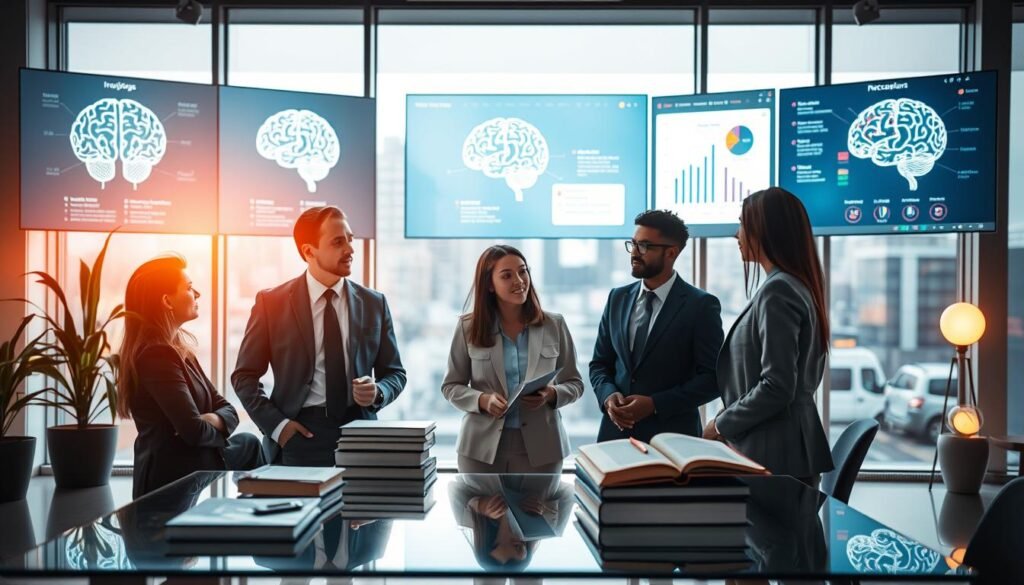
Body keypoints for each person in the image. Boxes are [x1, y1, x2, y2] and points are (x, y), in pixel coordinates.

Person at [233, 206, 406, 467]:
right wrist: (279, 427)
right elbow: (244, 376)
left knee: (359, 509)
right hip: (299, 435)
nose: (350, 249)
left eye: (350, 238)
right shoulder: (272, 303)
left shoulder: (374, 303)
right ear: (309, 251)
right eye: (338, 242)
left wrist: (378, 392)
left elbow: (395, 373)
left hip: (360, 433)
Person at [704, 186, 834, 486]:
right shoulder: (794, 285)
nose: (737, 235)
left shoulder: (778, 290)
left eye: (742, 224)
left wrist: (720, 425)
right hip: (782, 449)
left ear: (764, 230)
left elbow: (777, 386)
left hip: (773, 452)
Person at [117, 254, 264, 499]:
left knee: (249, 443)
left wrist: (213, 419)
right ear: (167, 301)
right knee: (249, 445)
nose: (197, 294)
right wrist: (213, 421)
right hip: (170, 477)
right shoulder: (157, 356)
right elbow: (193, 430)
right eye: (188, 288)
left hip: (192, 463)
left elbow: (225, 407)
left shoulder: (179, 350)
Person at [442, 245, 584, 473]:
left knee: (540, 509)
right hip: (480, 451)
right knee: (482, 509)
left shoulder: (554, 325)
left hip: (543, 450)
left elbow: (575, 384)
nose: (519, 281)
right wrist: (482, 400)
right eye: (507, 276)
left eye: (523, 271)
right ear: (489, 284)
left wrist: (551, 394)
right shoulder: (468, 327)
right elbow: (451, 387)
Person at [590, 210, 723, 443]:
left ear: (671, 252)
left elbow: (713, 379)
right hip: (615, 437)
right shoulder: (617, 298)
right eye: (632, 244)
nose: (634, 253)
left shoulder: (701, 305)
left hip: (674, 441)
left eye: (643, 246)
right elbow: (600, 364)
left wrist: (654, 405)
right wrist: (608, 396)